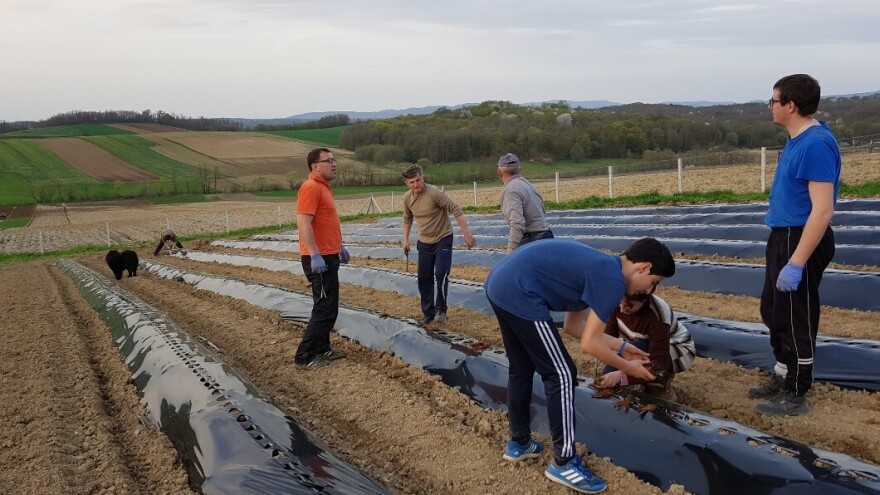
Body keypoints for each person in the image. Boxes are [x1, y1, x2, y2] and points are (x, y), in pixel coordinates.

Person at [484, 237, 675, 493]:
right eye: (654, 282)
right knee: (562, 373)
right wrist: (629, 368)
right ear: (644, 268)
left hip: (500, 283)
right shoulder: (613, 280)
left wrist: (622, 348)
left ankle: (519, 443)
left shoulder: (600, 268)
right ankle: (564, 463)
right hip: (519, 291)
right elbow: (589, 344)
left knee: (522, 367)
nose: (649, 291)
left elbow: (574, 326)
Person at [749, 74, 841, 416]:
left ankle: (797, 391)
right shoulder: (797, 140)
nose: (769, 107)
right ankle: (783, 372)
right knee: (773, 310)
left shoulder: (815, 144)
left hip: (800, 237)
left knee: (795, 316)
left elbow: (823, 210)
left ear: (791, 105)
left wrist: (797, 262)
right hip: (783, 234)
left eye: (773, 101)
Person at [294, 148, 351, 369]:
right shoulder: (310, 188)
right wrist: (314, 254)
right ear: (315, 166)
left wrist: (339, 246)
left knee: (327, 305)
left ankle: (322, 348)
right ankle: (304, 356)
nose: (334, 164)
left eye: (334, 160)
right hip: (319, 259)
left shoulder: (324, 188)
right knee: (325, 308)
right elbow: (304, 223)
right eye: (329, 161)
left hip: (329, 254)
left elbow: (326, 223)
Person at [401, 164, 476, 325]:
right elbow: (407, 219)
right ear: (407, 183)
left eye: (418, 180)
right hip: (424, 242)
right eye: (412, 182)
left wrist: (466, 233)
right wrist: (405, 240)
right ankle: (428, 312)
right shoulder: (407, 198)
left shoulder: (434, 193)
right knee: (424, 278)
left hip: (443, 238)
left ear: (423, 178)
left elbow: (455, 209)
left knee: (441, 273)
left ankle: (441, 310)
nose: (416, 184)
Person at [598, 293, 696, 401]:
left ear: (643, 300)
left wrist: (620, 375)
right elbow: (608, 336)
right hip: (642, 344)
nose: (621, 309)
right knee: (610, 372)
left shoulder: (657, 316)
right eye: (620, 304)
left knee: (620, 375)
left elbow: (659, 364)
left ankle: (661, 380)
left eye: (628, 306)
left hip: (676, 349)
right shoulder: (617, 301)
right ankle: (642, 379)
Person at [497, 153, 553, 252]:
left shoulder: (511, 190)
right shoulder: (528, 185)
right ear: (519, 170)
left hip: (532, 241)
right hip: (546, 237)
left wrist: (511, 249)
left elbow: (517, 223)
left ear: (499, 173)